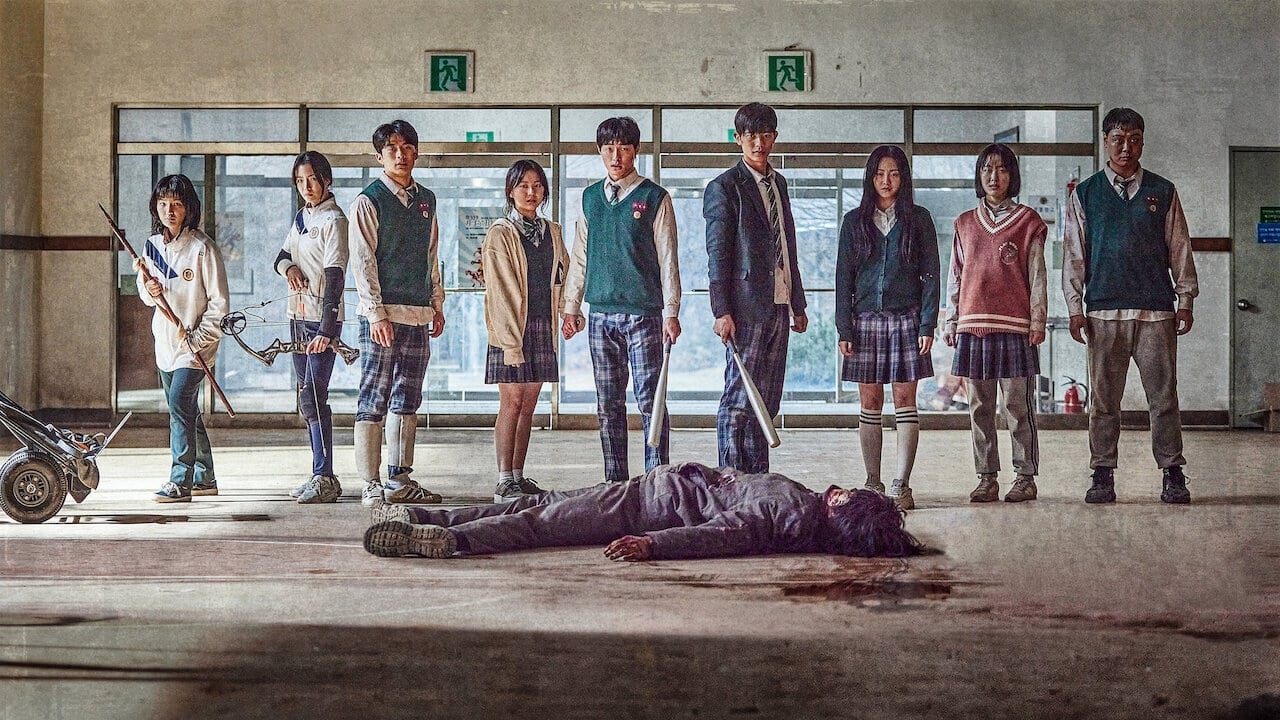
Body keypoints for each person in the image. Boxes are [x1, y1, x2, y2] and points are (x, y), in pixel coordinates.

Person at [362, 462, 922, 560]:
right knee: (536, 503)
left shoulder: (794, 512)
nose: (843, 490)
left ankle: (453, 541)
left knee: (539, 523)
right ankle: (423, 521)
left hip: (644, 506)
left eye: (850, 497)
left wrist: (654, 544)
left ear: (843, 513)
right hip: (650, 490)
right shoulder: (804, 508)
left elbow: (723, 533)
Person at [1063, 107, 1198, 504]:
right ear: (1106, 142)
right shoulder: (1085, 193)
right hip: (1103, 312)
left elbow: (1180, 248)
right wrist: (1075, 308)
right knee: (1104, 401)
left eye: (1134, 140)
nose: (1126, 147)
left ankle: (1173, 472)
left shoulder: (1163, 191)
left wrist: (1185, 299)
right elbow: (1074, 255)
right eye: (1118, 139)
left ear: (1142, 143)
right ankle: (1102, 473)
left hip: (1156, 311)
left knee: (1164, 397)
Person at [562, 117, 681, 483]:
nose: (616, 156)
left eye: (624, 149)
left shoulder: (655, 198)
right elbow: (580, 255)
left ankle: (656, 480)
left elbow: (668, 258)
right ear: (600, 151)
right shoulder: (590, 199)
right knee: (608, 404)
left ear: (636, 151)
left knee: (650, 401)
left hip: (644, 315)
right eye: (609, 149)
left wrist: (671, 311)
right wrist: (571, 306)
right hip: (600, 316)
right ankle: (615, 482)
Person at [834, 145, 940, 511]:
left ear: (903, 178)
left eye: (893, 174)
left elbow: (931, 275)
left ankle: (901, 483)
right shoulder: (854, 221)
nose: (886, 181)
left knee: (905, 401)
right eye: (879, 174)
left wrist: (927, 323)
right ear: (870, 178)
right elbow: (843, 278)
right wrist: (844, 327)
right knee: (870, 402)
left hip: (907, 320)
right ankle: (873, 481)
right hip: (864, 321)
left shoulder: (919, 219)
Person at [704, 102, 808, 474]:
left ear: (774, 137)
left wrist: (798, 303)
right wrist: (721, 310)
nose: (759, 143)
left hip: (779, 304)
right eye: (751, 136)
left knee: (766, 401)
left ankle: (757, 481)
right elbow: (718, 253)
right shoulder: (724, 187)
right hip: (745, 308)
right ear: (738, 139)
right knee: (738, 400)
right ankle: (731, 483)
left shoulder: (779, 183)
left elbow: (787, 243)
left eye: (765, 135)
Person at [349, 119, 447, 507]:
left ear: (416, 152)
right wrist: (376, 314)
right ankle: (370, 482)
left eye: (407, 147)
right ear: (379, 156)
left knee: (409, 396)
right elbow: (363, 261)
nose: (400, 154)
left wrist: (436, 303)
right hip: (382, 316)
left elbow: (431, 255)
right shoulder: (368, 201)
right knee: (374, 394)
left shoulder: (427, 200)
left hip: (418, 313)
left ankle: (400, 478)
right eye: (391, 148)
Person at [942, 144, 1047, 504]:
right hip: (973, 326)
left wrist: (1038, 319)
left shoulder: (1028, 221)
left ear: (1012, 175)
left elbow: (1037, 274)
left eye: (1002, 169)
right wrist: (952, 320)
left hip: (1016, 327)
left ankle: (1025, 477)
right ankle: (986, 477)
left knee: (1018, 407)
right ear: (979, 175)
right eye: (987, 169)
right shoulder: (964, 223)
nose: (994, 176)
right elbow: (955, 276)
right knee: (979, 408)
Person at [135, 174, 229, 503]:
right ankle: (205, 476)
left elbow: (219, 305)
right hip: (165, 343)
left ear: (189, 207)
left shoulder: (203, 249)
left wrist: (198, 338)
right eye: (163, 204)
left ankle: (180, 480)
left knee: (178, 405)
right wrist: (149, 289)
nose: (169, 210)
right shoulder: (152, 246)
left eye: (176, 204)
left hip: (196, 345)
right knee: (187, 409)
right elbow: (146, 294)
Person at [483, 160, 569, 503]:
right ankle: (503, 479)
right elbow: (500, 292)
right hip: (511, 328)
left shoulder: (553, 231)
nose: (531, 192)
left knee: (530, 404)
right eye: (523, 186)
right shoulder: (501, 233)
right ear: (511, 191)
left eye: (537, 185)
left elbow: (562, 276)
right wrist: (509, 343)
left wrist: (568, 313)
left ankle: (518, 475)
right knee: (512, 402)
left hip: (541, 324)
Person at [276, 151, 349, 504]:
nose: (306, 187)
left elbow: (335, 276)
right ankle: (319, 472)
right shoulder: (302, 218)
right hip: (297, 315)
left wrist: (326, 330)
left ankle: (325, 476)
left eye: (312, 179)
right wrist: (289, 269)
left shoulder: (335, 220)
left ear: (326, 179)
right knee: (306, 396)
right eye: (300, 181)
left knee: (315, 395)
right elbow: (281, 256)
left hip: (322, 320)